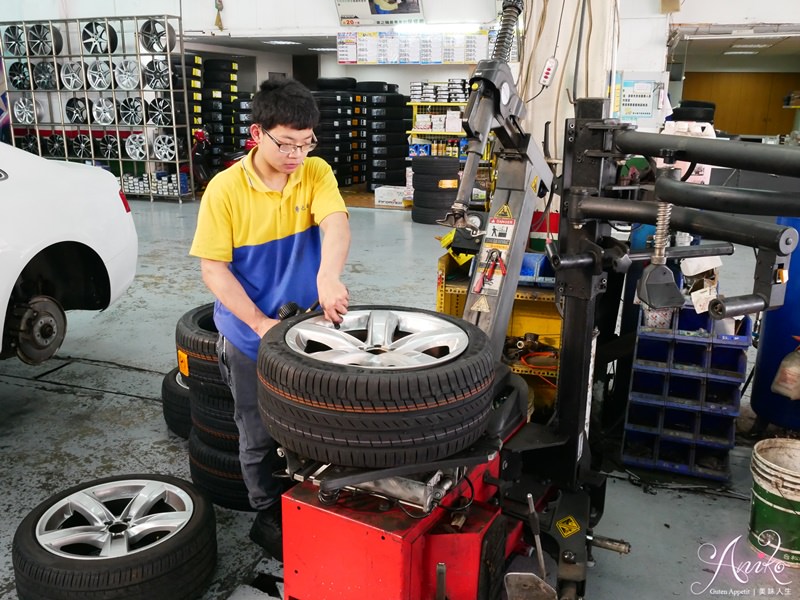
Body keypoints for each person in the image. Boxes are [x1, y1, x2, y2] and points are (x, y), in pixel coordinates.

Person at [190, 78, 351, 560]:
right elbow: (213, 270)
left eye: (305, 143)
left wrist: (328, 276)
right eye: (286, 144)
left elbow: (336, 224)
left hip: (309, 326)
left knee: (323, 417)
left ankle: (320, 496)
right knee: (256, 427)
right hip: (249, 332)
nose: (296, 154)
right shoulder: (225, 190)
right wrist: (260, 325)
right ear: (257, 133)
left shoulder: (315, 172)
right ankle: (267, 509)